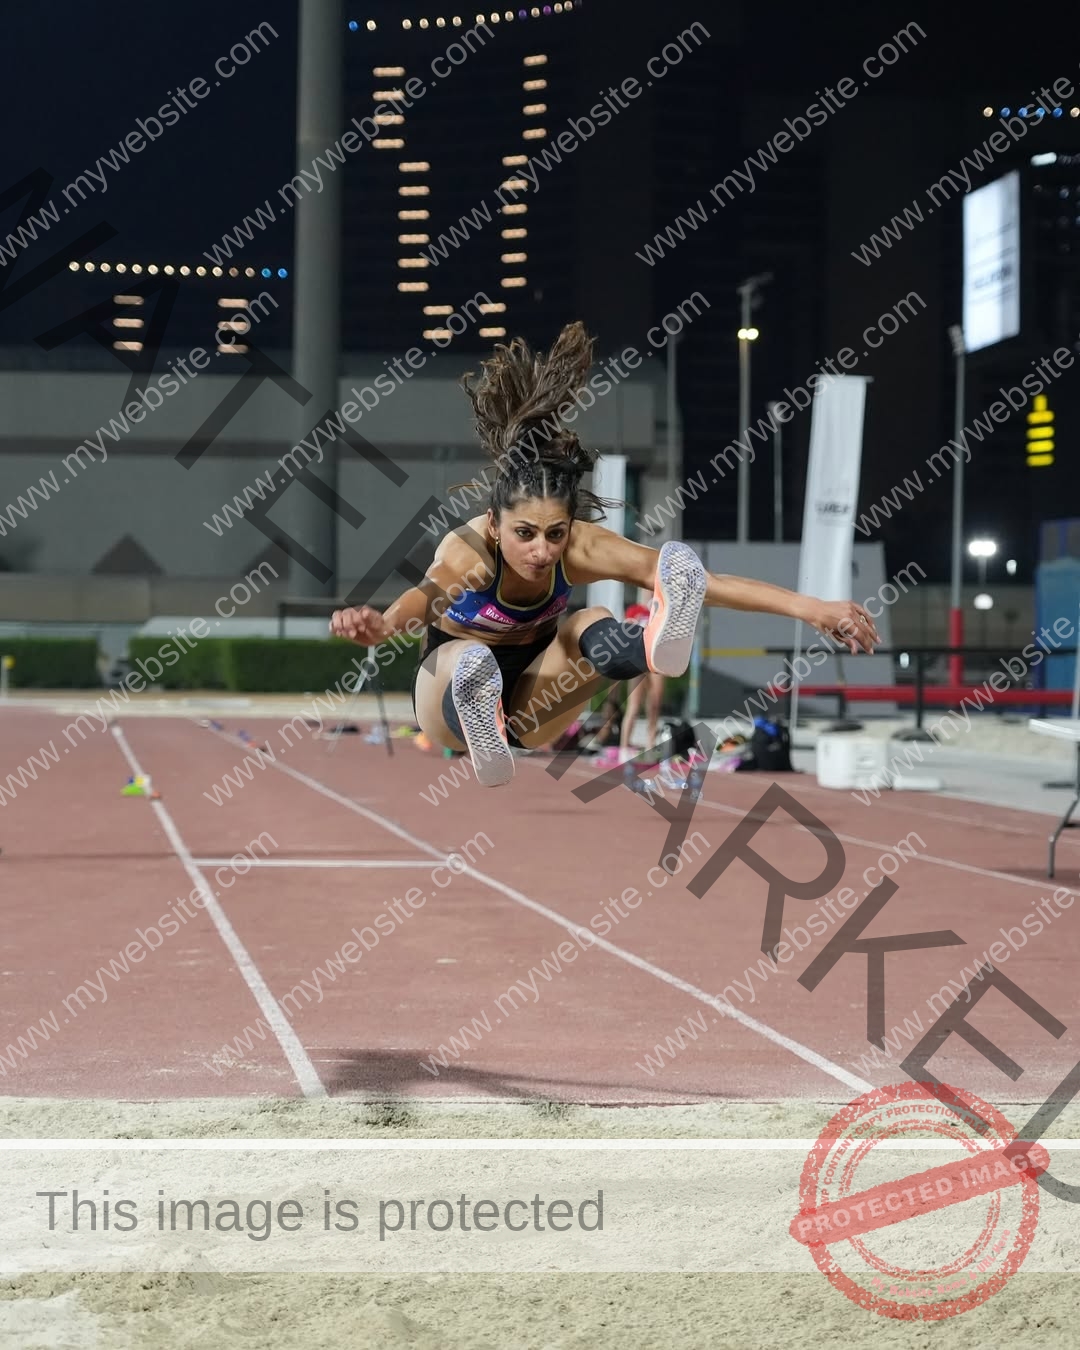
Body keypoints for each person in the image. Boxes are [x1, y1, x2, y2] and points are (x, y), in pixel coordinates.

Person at [330, 322, 879, 788]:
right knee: (464, 657)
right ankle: (479, 701)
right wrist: (379, 624)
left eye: (555, 533)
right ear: (496, 524)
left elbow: (701, 580)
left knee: (592, 619)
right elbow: (420, 601)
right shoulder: (470, 552)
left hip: (537, 697)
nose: (543, 551)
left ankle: (648, 644)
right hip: (445, 698)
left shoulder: (579, 546)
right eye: (525, 534)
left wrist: (814, 609)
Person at [618, 593, 666, 760]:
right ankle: (624, 746)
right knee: (634, 704)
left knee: (655, 702)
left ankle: (650, 744)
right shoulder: (635, 610)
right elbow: (627, 632)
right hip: (637, 659)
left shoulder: (661, 611)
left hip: (655, 659)